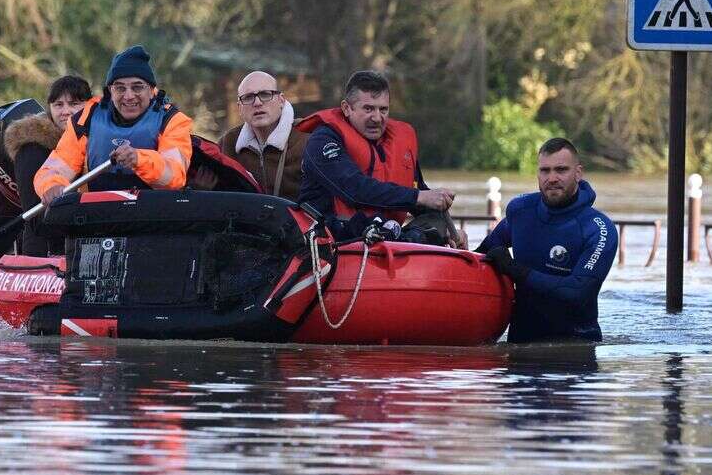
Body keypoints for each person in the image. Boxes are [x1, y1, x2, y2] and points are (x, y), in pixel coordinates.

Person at [298, 70, 462, 245]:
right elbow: (353, 189)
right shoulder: (323, 140)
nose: (377, 118)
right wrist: (417, 196)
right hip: (333, 239)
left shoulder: (401, 140)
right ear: (347, 108)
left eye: (383, 109)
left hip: (385, 236)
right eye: (368, 108)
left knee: (435, 221)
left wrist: (449, 230)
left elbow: (419, 192)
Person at [476, 137, 615, 343]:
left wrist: (515, 269)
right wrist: (450, 249)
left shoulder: (599, 228)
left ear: (578, 173)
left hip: (575, 348)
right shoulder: (520, 210)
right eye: (545, 170)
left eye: (561, 170)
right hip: (520, 343)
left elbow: (576, 291)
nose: (552, 178)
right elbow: (485, 252)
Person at [35, 45, 194, 204]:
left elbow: (174, 176)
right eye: (120, 88)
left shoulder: (171, 120)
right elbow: (55, 168)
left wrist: (138, 160)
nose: (129, 96)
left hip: (151, 215)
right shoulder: (86, 119)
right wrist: (52, 185)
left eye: (137, 87)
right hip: (97, 215)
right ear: (110, 91)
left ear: (151, 89)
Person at [3, 74, 93, 255]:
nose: (65, 111)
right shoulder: (32, 148)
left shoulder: (95, 140)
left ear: (89, 106)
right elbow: (35, 216)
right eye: (58, 105)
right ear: (49, 108)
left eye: (74, 104)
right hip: (43, 251)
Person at [217, 71, 308, 199]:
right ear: (240, 108)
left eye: (265, 94)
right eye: (248, 97)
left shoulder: (307, 137)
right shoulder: (228, 144)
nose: (257, 103)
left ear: (281, 100)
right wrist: (204, 188)